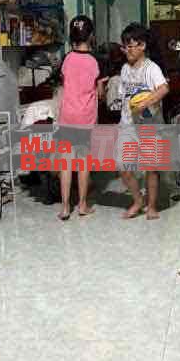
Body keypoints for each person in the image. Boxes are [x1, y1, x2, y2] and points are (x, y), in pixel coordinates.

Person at [56, 15, 107, 220]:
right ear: (91, 35)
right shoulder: (96, 61)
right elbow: (101, 93)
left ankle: (65, 207)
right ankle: (83, 205)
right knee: (83, 163)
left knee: (66, 162)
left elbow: (64, 83)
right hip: (85, 117)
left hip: (67, 116)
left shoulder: (66, 59)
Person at [117, 23, 169, 220]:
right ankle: (138, 201)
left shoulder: (152, 68)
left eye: (131, 46)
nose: (127, 50)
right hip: (128, 125)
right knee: (123, 167)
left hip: (150, 126)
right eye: (125, 46)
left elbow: (164, 89)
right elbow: (124, 96)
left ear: (142, 46)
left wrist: (145, 103)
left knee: (151, 168)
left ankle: (152, 206)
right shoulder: (124, 69)